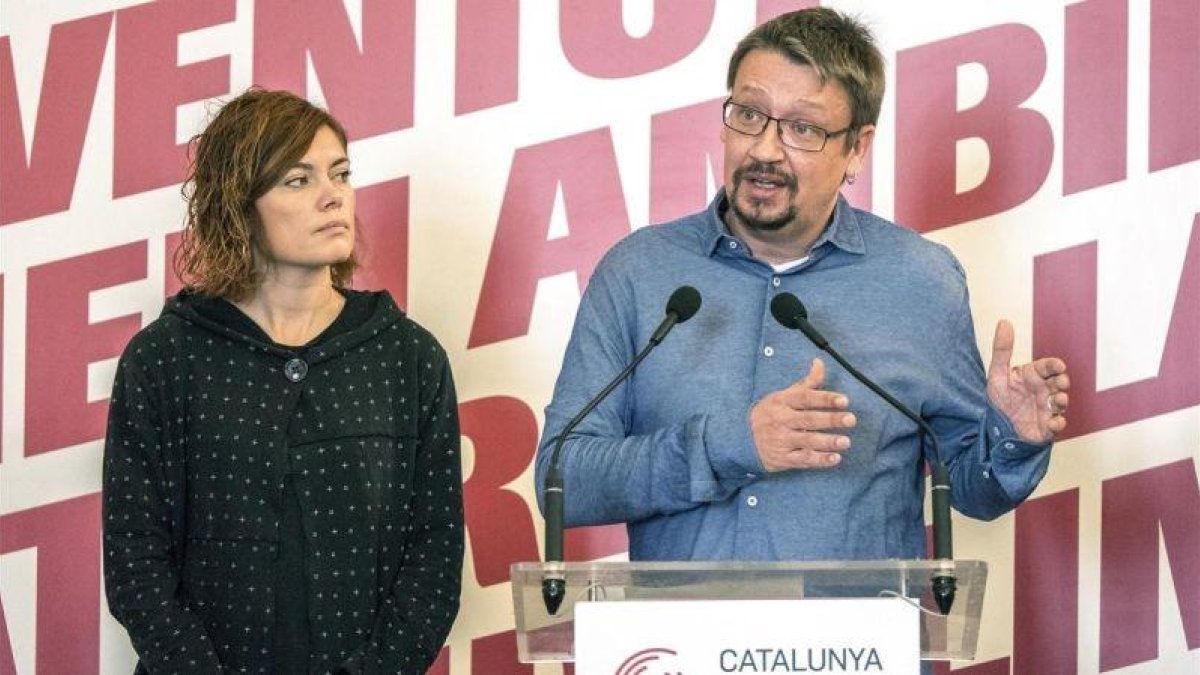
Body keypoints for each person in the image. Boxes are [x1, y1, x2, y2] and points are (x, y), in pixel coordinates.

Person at [535, 8, 1070, 564]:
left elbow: (970, 487)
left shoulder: (920, 280)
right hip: (677, 649)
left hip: (860, 649)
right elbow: (563, 481)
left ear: (856, 150)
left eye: (803, 129)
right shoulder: (639, 272)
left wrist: (1012, 439)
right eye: (748, 114)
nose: (765, 149)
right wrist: (731, 445)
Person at [103, 88, 463, 674]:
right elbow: (135, 564)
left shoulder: (408, 357)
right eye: (299, 180)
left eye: (340, 175)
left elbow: (435, 556)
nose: (333, 198)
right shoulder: (164, 359)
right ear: (238, 208)